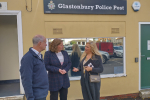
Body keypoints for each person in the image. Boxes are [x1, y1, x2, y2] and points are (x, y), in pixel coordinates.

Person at [20, 35, 49, 100]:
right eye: (45, 42)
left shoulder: (39, 56)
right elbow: (26, 80)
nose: (46, 44)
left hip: (42, 94)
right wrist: (30, 98)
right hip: (36, 96)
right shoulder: (28, 58)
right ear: (40, 43)